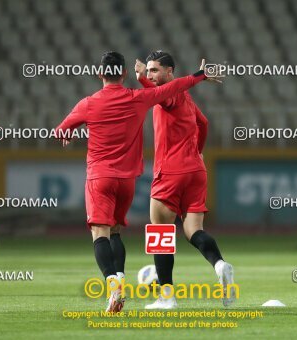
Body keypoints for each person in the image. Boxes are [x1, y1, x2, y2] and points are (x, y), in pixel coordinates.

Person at [56, 51, 214, 312]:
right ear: (125, 74)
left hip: (99, 178)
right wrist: (198, 75)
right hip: (127, 181)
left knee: (100, 233)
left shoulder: (88, 103)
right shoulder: (138, 98)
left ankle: (112, 283)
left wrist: (69, 133)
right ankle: (121, 278)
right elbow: (174, 87)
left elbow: (60, 130)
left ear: (100, 74)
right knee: (116, 230)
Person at [135, 51, 235, 309]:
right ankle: (220, 265)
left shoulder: (169, 94)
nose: (150, 75)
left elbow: (155, 95)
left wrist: (141, 80)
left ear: (170, 72)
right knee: (193, 231)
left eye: (155, 70)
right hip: (196, 171)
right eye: (148, 70)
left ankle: (166, 298)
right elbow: (204, 123)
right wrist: (198, 152)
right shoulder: (186, 98)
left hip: (170, 172)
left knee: (160, 233)